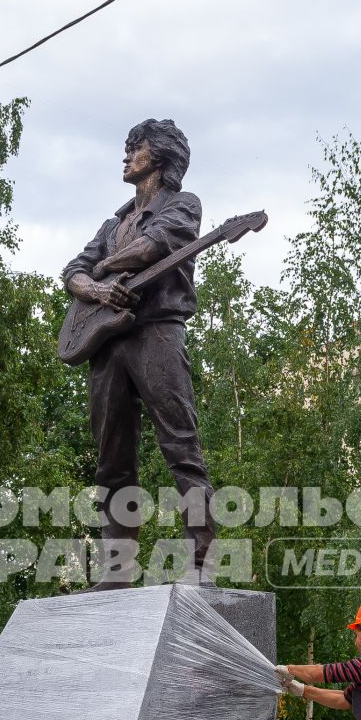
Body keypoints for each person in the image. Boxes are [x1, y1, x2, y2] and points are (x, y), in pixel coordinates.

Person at [62, 118, 217, 589]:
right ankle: (117, 569)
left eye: (137, 148)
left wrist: (103, 271)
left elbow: (154, 246)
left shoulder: (183, 205)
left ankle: (202, 559)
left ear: (161, 157)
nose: (127, 155)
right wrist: (94, 288)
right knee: (112, 457)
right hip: (107, 342)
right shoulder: (112, 222)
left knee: (180, 444)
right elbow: (73, 269)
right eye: (128, 148)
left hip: (157, 332)